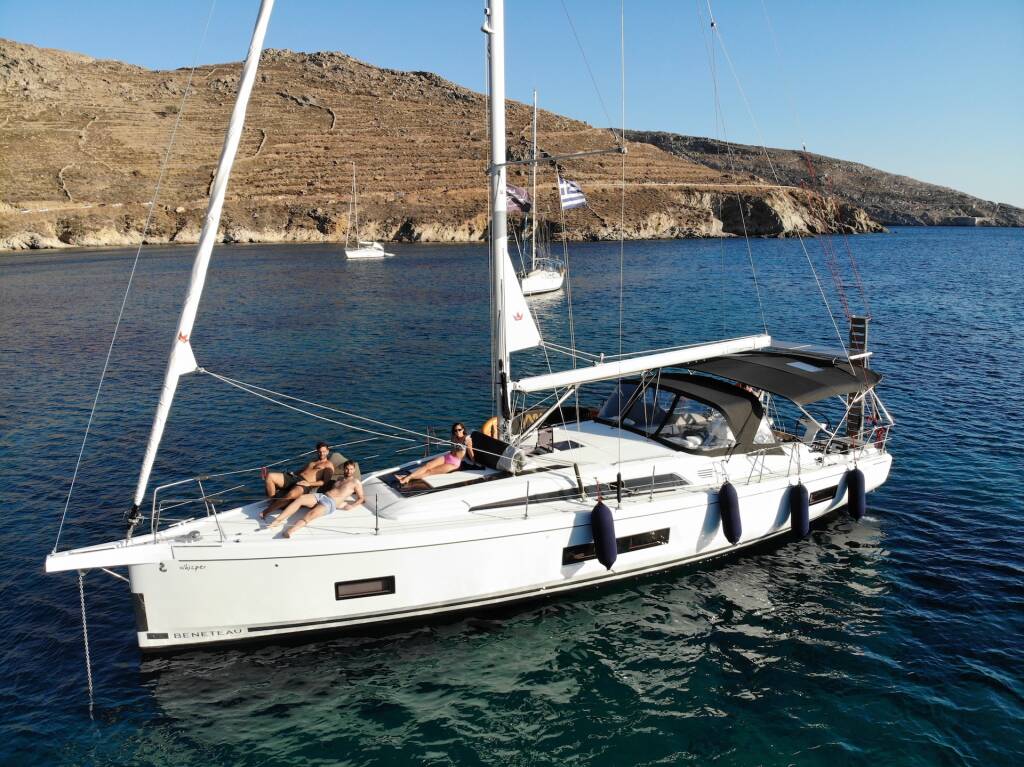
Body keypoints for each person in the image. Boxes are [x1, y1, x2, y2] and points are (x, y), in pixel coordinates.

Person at [267, 460, 364, 538]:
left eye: (351, 469)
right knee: (300, 499)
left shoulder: (356, 482)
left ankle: (290, 531)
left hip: (329, 503)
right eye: (347, 469)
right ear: (344, 469)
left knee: (310, 515)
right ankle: (277, 520)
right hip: (322, 496)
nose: (349, 471)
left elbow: (361, 498)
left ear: (354, 470)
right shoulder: (339, 479)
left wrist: (352, 506)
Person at [261, 441, 335, 519]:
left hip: (305, 483)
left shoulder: (328, 465)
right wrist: (293, 473)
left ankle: (266, 511)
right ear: (317, 451)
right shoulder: (313, 461)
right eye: (320, 452)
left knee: (291, 494)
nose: (322, 454)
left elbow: (325, 482)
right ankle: (273, 502)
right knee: (270, 476)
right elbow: (303, 470)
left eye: (324, 451)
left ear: (328, 451)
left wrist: (309, 484)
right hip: (295, 477)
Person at [395, 442, 466, 486]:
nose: (457, 431)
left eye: (459, 430)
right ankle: (407, 477)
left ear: (463, 430)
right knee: (428, 465)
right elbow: (452, 449)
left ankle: (407, 478)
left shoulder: (467, 440)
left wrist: (462, 447)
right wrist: (455, 445)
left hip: (453, 463)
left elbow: (464, 454)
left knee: (430, 472)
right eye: (456, 430)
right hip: (448, 456)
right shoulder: (455, 437)